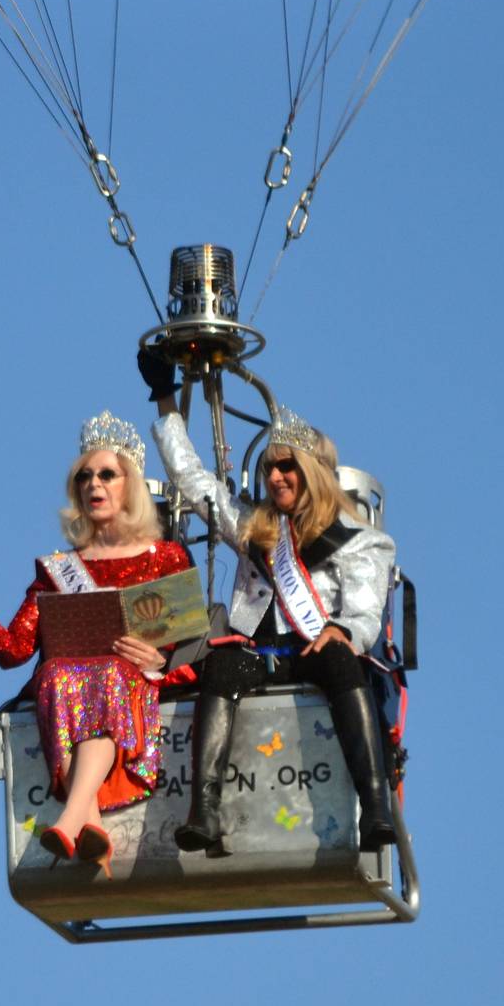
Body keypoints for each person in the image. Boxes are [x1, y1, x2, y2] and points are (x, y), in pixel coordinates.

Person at [140, 353, 400, 854]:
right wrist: (165, 400)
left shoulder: (360, 541)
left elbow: (364, 609)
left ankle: (375, 808)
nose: (277, 477)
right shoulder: (255, 529)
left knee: (342, 658)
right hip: (259, 655)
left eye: (288, 467)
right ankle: (206, 812)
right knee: (220, 666)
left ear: (311, 473)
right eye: (270, 468)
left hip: (318, 651)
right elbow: (195, 482)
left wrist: (343, 632)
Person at [0, 412, 192, 873]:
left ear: (130, 485)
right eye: (84, 476)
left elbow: (190, 642)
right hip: (69, 689)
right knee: (53, 672)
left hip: (132, 684)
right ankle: (87, 827)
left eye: (107, 474)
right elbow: (14, 651)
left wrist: (158, 660)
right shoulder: (57, 569)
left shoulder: (164, 557)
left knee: (106, 674)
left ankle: (70, 817)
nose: (94, 484)